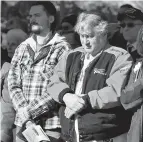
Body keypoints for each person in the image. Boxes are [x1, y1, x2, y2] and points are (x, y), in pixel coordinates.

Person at [47, 12, 133, 142]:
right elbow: (54, 81)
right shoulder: (72, 55)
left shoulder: (120, 56)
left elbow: (116, 91)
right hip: (70, 134)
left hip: (103, 135)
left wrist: (84, 101)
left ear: (104, 34)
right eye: (82, 36)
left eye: (90, 36)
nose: (85, 42)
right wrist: (67, 96)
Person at [7, 2, 70, 142]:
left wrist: (29, 112)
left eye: (37, 15)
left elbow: (60, 86)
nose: (32, 19)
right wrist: (24, 113)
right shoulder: (22, 47)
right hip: (23, 125)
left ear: (51, 19)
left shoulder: (63, 48)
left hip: (50, 126)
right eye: (30, 16)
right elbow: (13, 83)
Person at [1, 29, 28, 142]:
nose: (9, 47)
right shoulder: (8, 67)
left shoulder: (14, 70)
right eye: (8, 44)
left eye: (13, 44)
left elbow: (8, 108)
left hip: (19, 123)